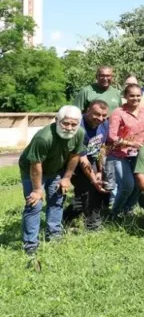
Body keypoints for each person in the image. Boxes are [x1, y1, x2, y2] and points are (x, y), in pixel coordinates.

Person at [19, 105, 85, 255]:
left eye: (73, 124)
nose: (69, 127)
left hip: (55, 169)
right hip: (31, 168)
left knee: (57, 199)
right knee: (34, 203)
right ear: (57, 120)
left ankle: (54, 233)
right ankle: (30, 244)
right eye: (65, 123)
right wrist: (37, 190)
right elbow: (35, 164)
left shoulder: (79, 133)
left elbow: (75, 155)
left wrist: (67, 178)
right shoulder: (44, 137)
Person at [63, 100, 111, 232]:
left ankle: (65, 217)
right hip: (74, 163)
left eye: (104, 115)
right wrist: (93, 178)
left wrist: (100, 171)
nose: (100, 119)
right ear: (88, 110)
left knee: (88, 194)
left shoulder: (105, 124)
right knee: (91, 190)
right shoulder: (79, 127)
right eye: (96, 114)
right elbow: (82, 158)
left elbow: (102, 148)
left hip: (93, 160)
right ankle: (92, 226)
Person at [107, 84, 144, 218]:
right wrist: (131, 143)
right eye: (131, 95)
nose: (135, 98)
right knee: (127, 185)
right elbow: (112, 136)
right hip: (119, 154)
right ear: (125, 96)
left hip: (139, 154)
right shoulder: (118, 112)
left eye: (138, 95)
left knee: (139, 185)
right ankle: (115, 212)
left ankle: (129, 210)